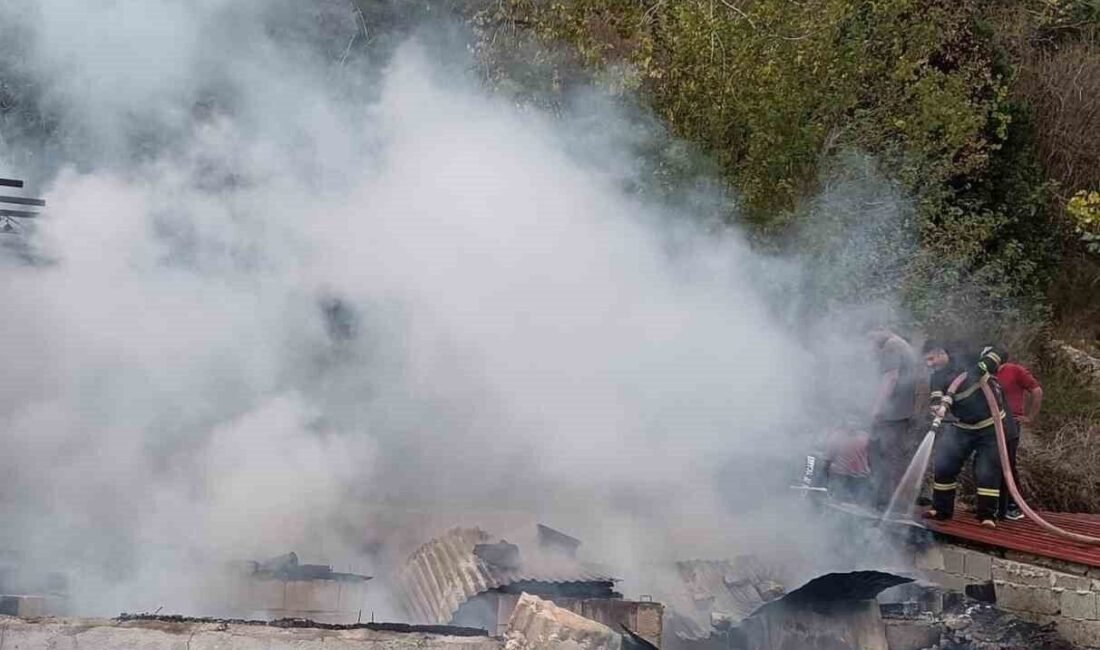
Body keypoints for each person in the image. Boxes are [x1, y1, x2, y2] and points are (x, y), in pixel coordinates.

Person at [922, 341, 1017, 527]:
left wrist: (982, 368)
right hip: (963, 427)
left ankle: (987, 516)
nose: (929, 364)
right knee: (944, 465)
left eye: (931, 358)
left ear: (941, 352)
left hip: (991, 426)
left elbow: (1001, 349)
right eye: (926, 361)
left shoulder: (967, 356)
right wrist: (937, 408)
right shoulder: (937, 378)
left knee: (987, 471)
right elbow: (936, 398)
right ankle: (941, 509)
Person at [866, 326, 918, 511]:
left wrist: (877, 407)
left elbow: (891, 378)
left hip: (892, 413)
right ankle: (893, 501)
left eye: (870, 337)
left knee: (880, 454)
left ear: (880, 330)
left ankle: (885, 502)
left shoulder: (892, 346)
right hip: (902, 412)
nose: (869, 343)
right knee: (893, 456)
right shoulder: (904, 345)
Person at [996, 354, 1043, 521]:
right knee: (987, 464)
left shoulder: (1014, 370)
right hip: (988, 424)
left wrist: (1030, 417)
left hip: (1010, 424)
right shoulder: (985, 372)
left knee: (1008, 464)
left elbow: (1036, 390)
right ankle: (992, 504)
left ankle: (1013, 506)